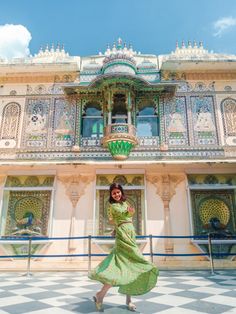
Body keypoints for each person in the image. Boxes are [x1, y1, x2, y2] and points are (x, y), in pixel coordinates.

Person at [88, 183, 159, 312]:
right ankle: (100, 295)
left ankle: (128, 300)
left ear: (121, 192)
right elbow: (116, 217)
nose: (116, 194)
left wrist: (122, 221)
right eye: (113, 193)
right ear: (111, 194)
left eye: (118, 192)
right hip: (123, 236)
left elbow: (126, 216)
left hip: (130, 233)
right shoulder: (113, 206)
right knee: (118, 268)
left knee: (129, 267)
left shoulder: (125, 203)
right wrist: (119, 225)